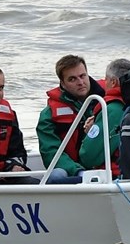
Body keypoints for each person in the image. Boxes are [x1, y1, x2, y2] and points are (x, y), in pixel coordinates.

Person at [36, 55, 105, 183]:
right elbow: (51, 153)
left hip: (103, 166)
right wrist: (78, 171)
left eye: (83, 76)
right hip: (71, 170)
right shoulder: (48, 115)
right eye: (72, 79)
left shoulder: (106, 103)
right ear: (63, 83)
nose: (80, 82)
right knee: (57, 175)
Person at [78, 58, 130, 178]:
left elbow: (88, 157)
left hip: (114, 176)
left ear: (113, 82)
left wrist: (89, 133)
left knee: (54, 180)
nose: (104, 83)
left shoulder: (112, 110)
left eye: (106, 79)